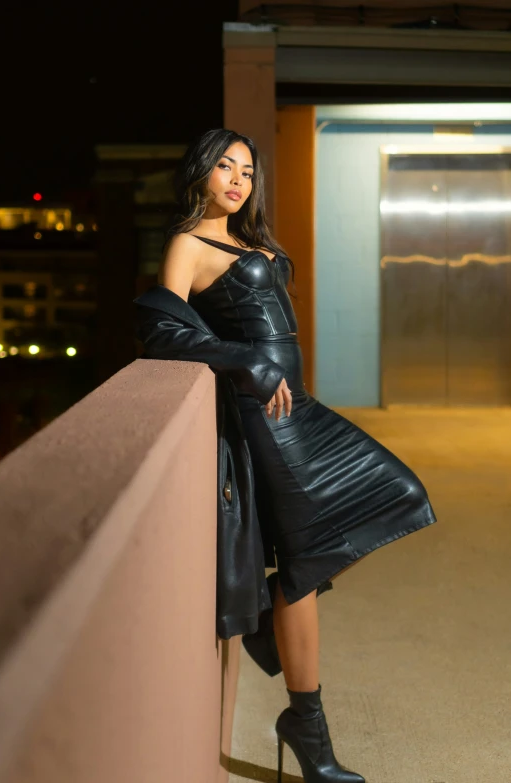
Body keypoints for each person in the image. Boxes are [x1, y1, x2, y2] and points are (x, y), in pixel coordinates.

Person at [151, 128, 437, 783]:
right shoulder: (188, 244)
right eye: (224, 165)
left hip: (300, 407)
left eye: (246, 170)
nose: (236, 179)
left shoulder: (249, 239)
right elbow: (164, 329)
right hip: (265, 416)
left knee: (402, 492)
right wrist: (246, 360)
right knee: (307, 565)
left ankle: (273, 605)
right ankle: (311, 736)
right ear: (199, 171)